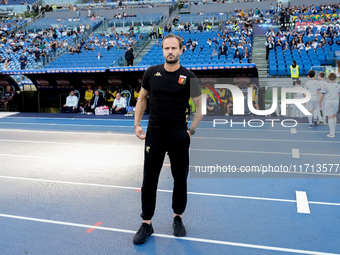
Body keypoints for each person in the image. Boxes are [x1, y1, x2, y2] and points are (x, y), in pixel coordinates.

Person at [133, 34, 203, 245]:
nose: (170, 51)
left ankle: (177, 218)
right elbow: (142, 98)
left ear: (181, 50)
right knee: (149, 180)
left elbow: (200, 107)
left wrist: (190, 131)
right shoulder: (151, 73)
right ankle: (147, 223)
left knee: (180, 179)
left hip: (179, 136)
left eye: (174, 48)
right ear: (162, 50)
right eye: (166, 48)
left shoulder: (189, 77)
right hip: (154, 135)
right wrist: (136, 125)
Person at [319, 72, 340, 138]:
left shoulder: (326, 85)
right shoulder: (338, 85)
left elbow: (323, 94)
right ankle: (333, 130)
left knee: (330, 116)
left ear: (328, 78)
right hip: (336, 101)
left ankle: (331, 133)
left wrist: (320, 102)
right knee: (334, 115)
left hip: (328, 101)